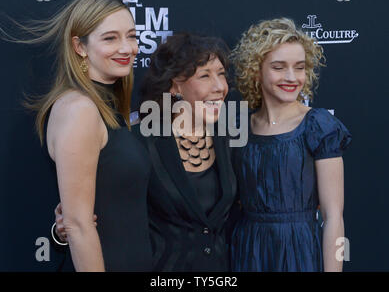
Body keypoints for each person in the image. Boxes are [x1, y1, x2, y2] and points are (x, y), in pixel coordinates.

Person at [54, 33, 238, 271]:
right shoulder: (138, 142)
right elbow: (93, 218)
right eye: (205, 76)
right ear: (175, 85)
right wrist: (63, 229)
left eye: (221, 74)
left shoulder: (233, 138)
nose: (220, 87)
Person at [15, 0, 153, 271]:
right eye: (110, 38)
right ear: (79, 46)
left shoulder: (107, 106)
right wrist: (68, 228)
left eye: (132, 36)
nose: (127, 48)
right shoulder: (80, 109)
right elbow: (78, 227)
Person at [229, 18, 351, 272]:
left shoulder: (319, 125)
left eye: (299, 67)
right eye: (278, 67)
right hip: (248, 252)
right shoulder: (238, 126)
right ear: (256, 70)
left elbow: (333, 218)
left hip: (300, 252)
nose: (291, 77)